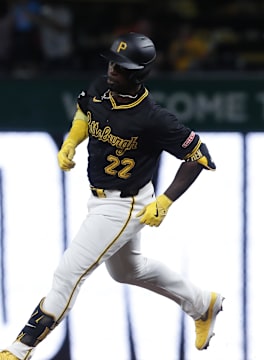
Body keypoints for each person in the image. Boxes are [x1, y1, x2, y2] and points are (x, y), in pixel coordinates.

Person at [0, 32, 223, 360]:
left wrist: (166, 201)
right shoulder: (99, 89)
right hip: (100, 198)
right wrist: (71, 142)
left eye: (121, 67)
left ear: (137, 73)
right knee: (127, 271)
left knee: (68, 273)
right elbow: (83, 112)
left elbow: (200, 157)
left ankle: (19, 350)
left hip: (125, 204)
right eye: (112, 63)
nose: (112, 71)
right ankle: (203, 304)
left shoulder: (153, 117)